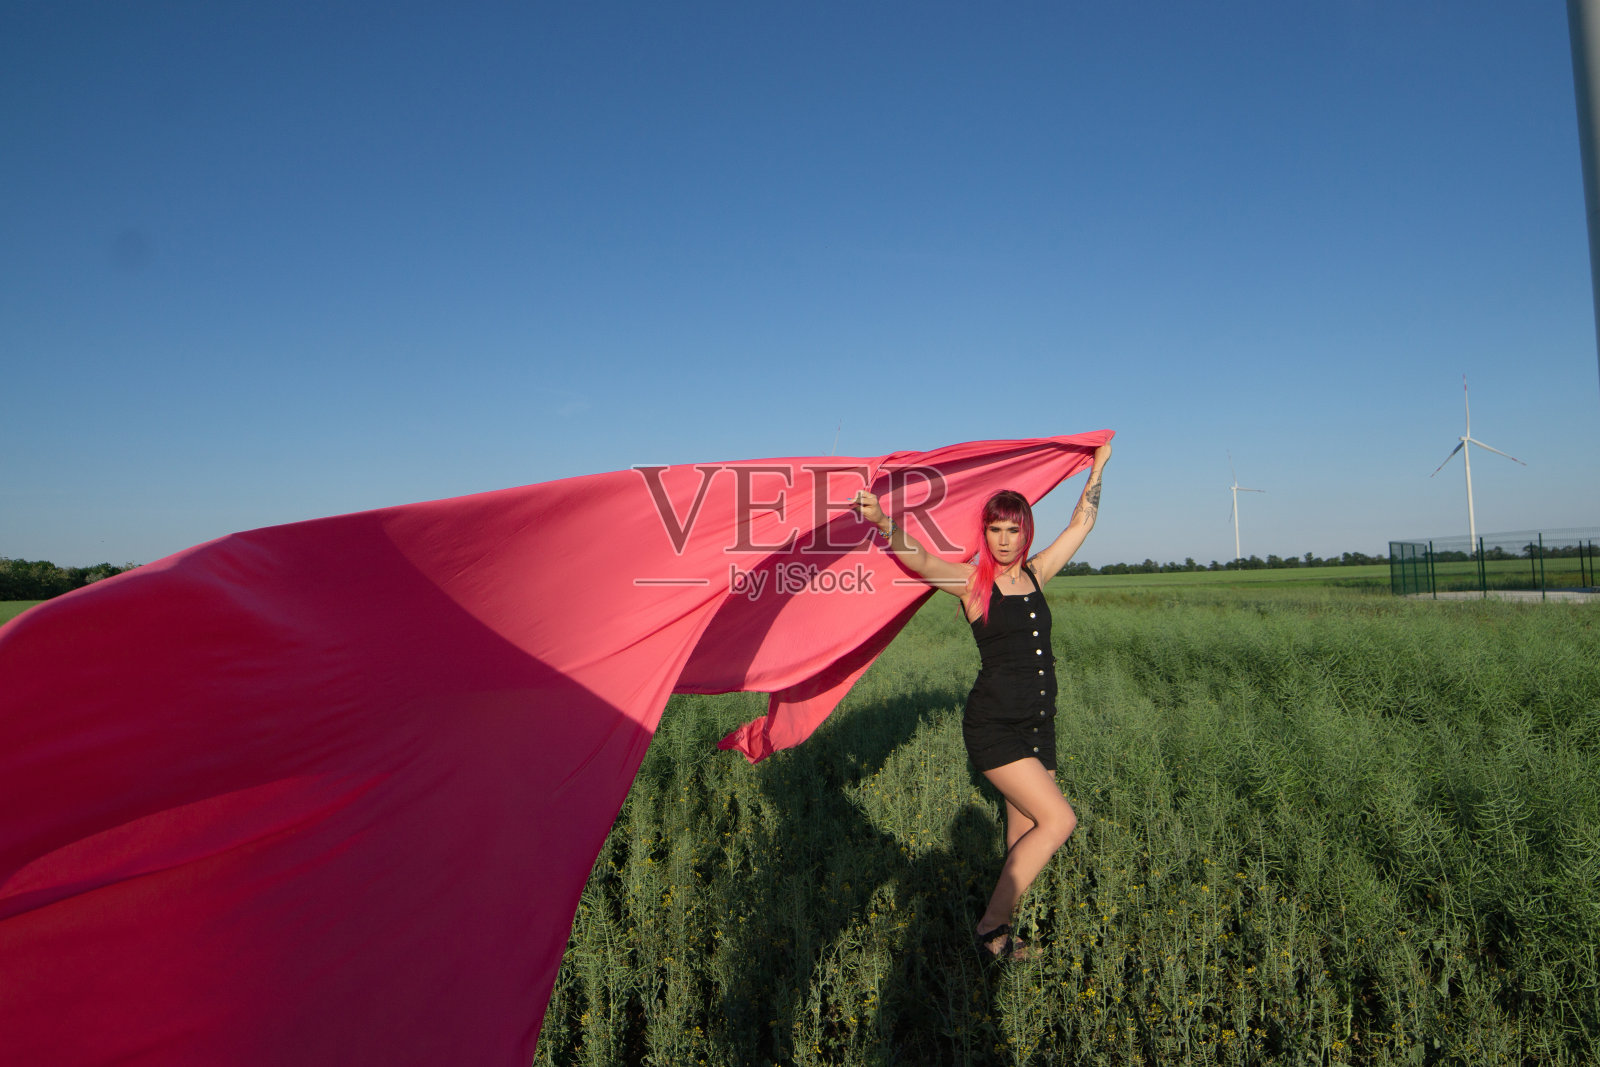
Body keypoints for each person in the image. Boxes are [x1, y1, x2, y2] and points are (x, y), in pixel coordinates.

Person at [853, 442, 1110, 960]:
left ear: (1025, 532)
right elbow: (920, 558)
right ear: (984, 532)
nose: (1005, 539)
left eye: (1013, 529)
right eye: (995, 529)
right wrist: (883, 522)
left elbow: (1081, 525)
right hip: (994, 726)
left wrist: (1099, 465)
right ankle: (988, 930)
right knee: (1059, 822)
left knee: (1022, 838)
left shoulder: (1038, 574)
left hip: (1039, 725)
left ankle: (1002, 939)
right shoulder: (972, 583)